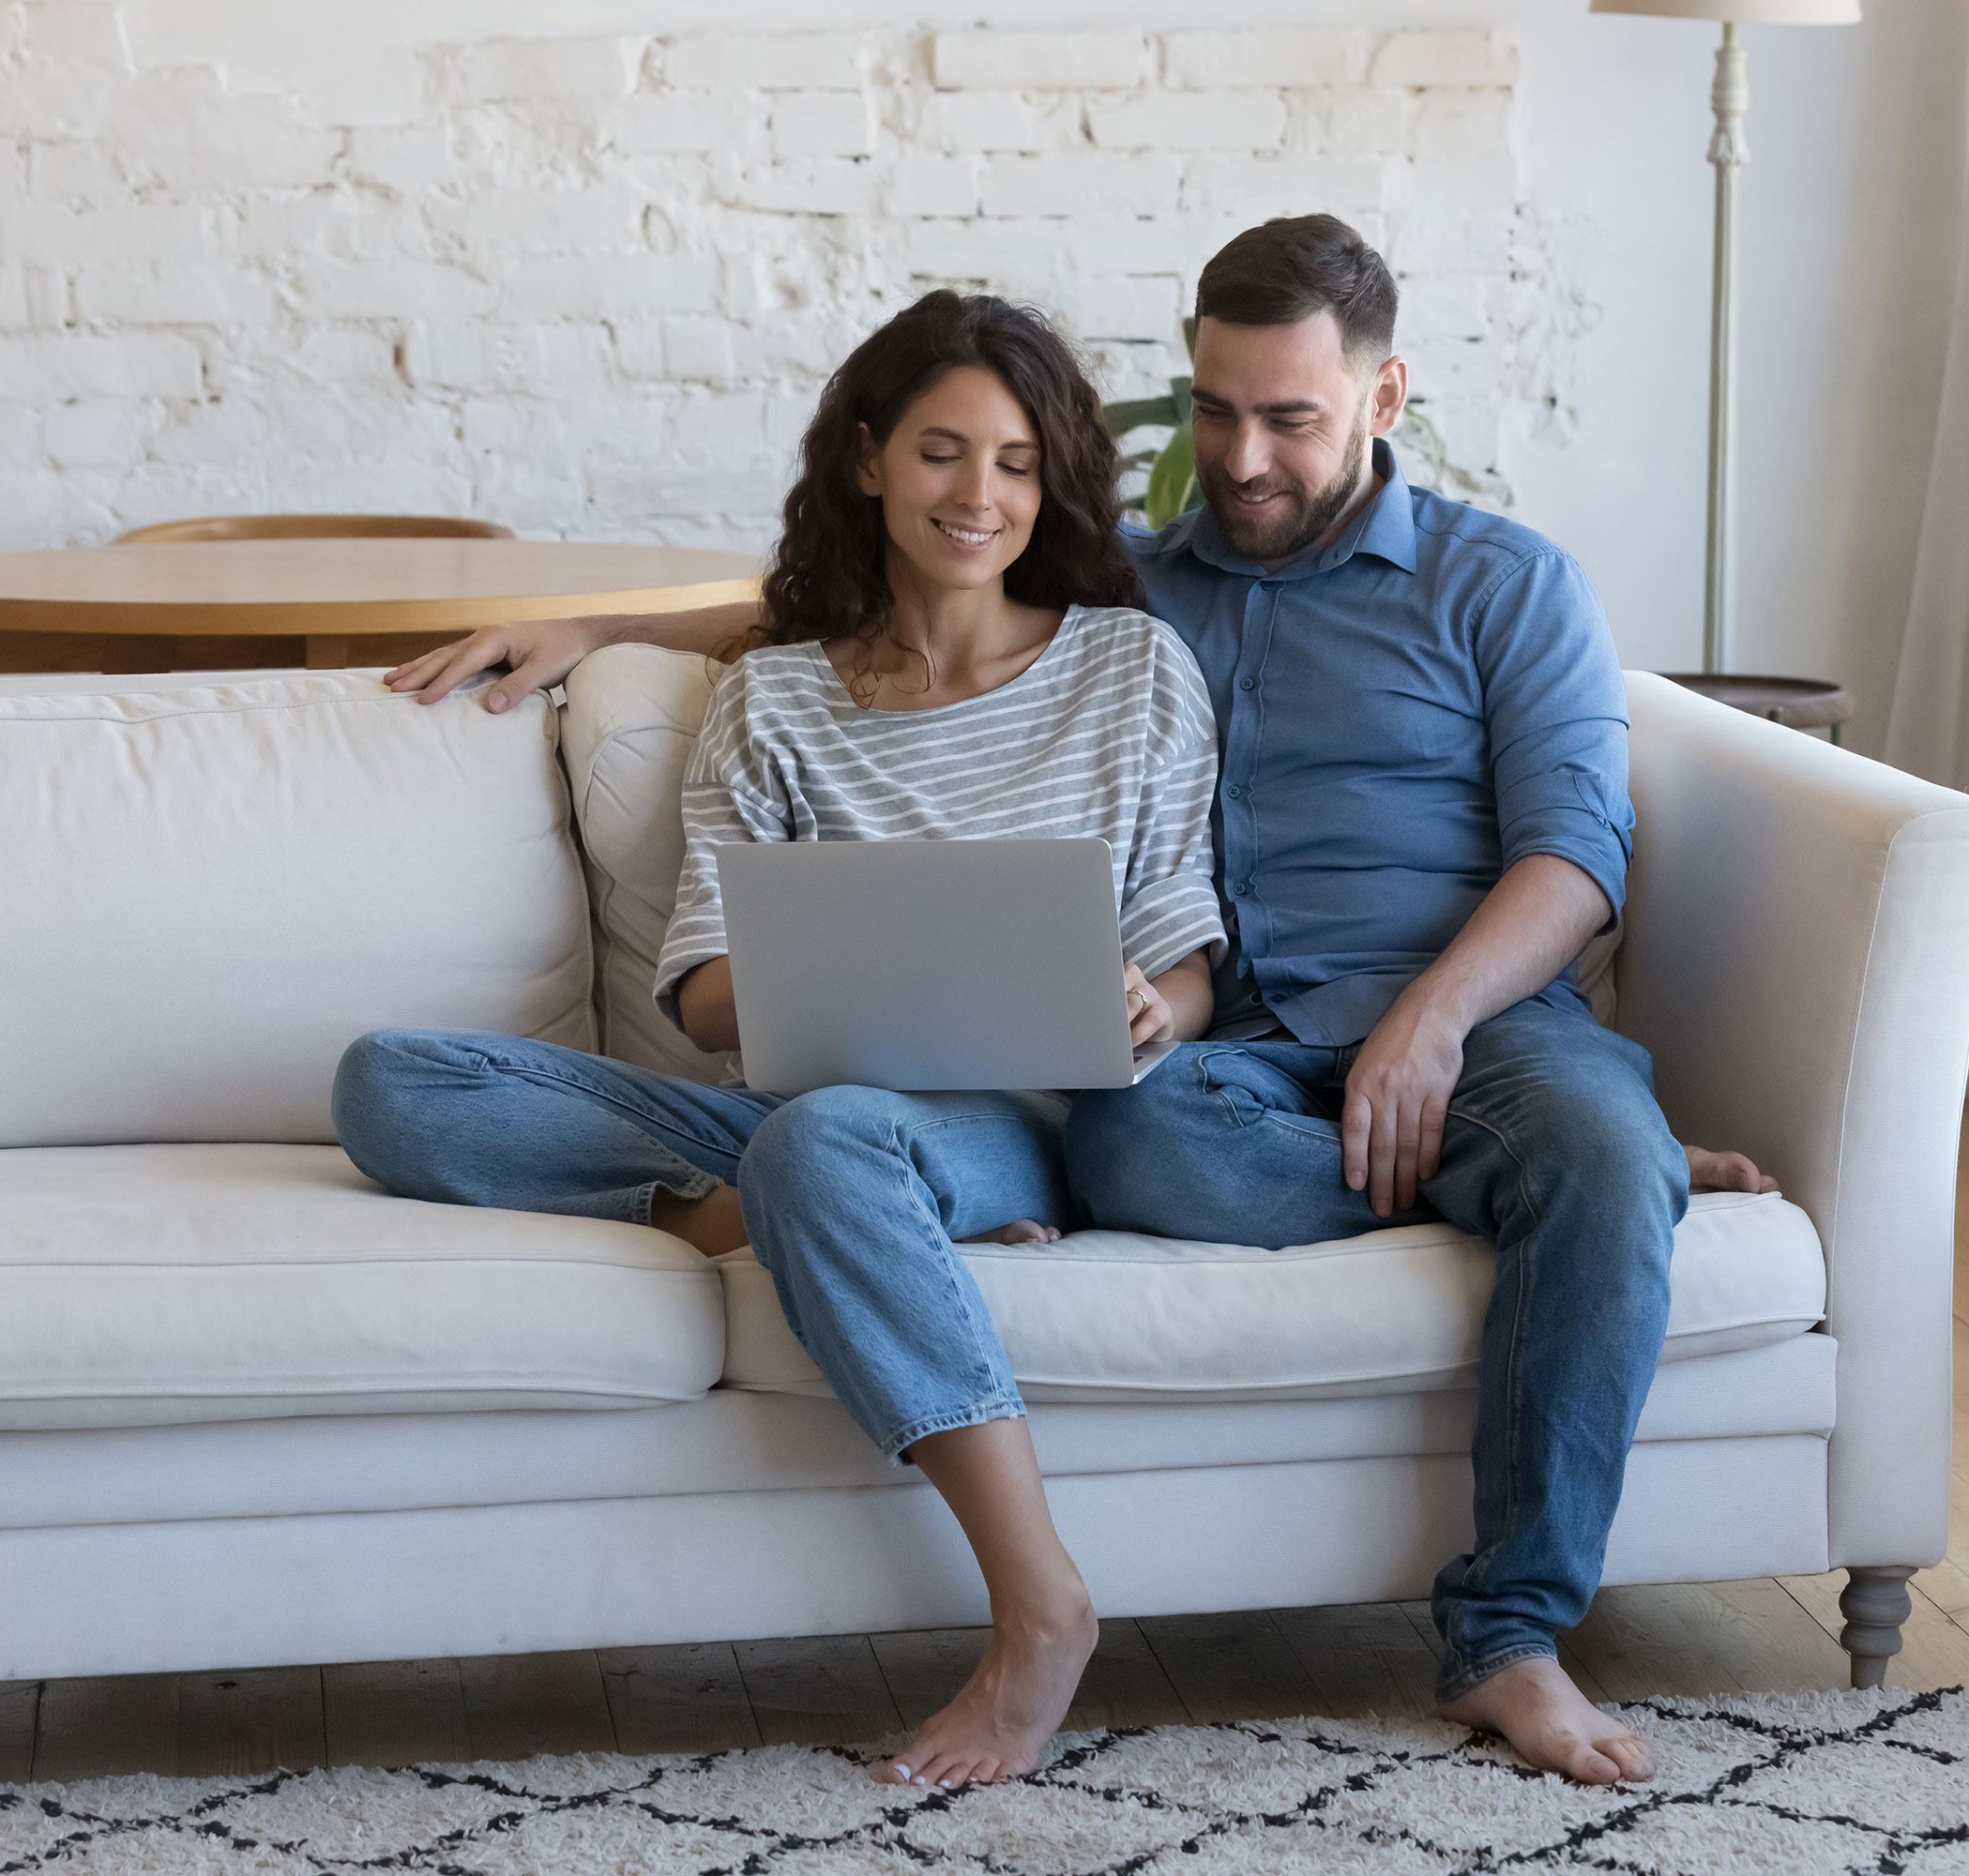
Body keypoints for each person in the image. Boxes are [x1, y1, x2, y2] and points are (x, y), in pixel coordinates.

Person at [383, 218, 1775, 1789]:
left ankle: (1514, 1618)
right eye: (1217, 413)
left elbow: (1580, 851)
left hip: (1470, 1024)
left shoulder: (1499, 586)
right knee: (1119, 1152)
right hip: (1226, 1072)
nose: (1240, 459)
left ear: (1386, 399)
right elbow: (883, 593)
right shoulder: (1140, 593)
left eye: (1289, 420)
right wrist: (603, 630)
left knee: (1580, 1144)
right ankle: (766, 1194)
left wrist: (1434, 1020)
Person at [334, 290, 1226, 1792]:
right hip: (797, 1112)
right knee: (396, 1083)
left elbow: (1187, 953)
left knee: (836, 1139)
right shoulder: (776, 698)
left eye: (1014, 464)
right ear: (870, 459)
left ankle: (1041, 1607)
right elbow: (699, 993)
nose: (980, 496)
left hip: (1012, 1122)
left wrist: (1154, 1003)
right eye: (944, 453)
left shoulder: (1132, 672)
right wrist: (840, 954)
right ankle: (795, 1222)